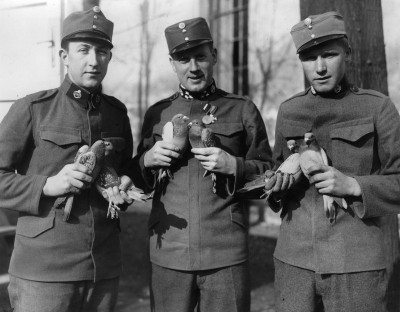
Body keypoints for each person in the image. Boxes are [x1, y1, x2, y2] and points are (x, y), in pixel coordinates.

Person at [130, 17, 272, 312]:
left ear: (214, 56)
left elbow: (268, 174)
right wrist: (147, 159)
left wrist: (235, 165)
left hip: (225, 253)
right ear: (172, 63)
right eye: (183, 59)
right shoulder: (158, 113)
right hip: (169, 252)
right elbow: (138, 181)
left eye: (200, 57)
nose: (193, 67)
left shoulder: (242, 109)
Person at [0, 7, 134, 312]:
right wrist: (47, 185)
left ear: (109, 58)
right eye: (83, 50)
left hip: (103, 268)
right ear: (64, 57)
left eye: (102, 51)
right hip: (43, 273)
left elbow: (124, 169)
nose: (93, 60)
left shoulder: (116, 113)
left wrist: (124, 185)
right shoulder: (33, 108)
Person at [268, 11, 400, 312]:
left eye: (329, 54)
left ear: (348, 53)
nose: (320, 67)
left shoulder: (377, 108)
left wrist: (353, 185)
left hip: (355, 262)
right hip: (294, 261)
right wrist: (276, 185)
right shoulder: (289, 111)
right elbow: (274, 177)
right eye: (309, 58)